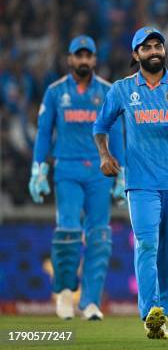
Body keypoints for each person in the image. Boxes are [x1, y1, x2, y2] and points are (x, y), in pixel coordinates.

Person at [93, 26, 168, 339]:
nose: (155, 51)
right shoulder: (121, 89)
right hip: (141, 182)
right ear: (136, 55)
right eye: (147, 48)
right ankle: (150, 312)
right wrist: (104, 155)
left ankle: (163, 312)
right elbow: (100, 125)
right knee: (146, 243)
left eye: (158, 46)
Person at [29, 35, 124, 321]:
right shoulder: (56, 92)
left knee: (99, 236)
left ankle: (91, 302)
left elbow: (116, 132)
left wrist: (123, 173)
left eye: (88, 56)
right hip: (67, 169)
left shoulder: (108, 91)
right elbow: (45, 132)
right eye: (78, 56)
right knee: (67, 233)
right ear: (70, 59)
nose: (83, 60)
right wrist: (38, 168)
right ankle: (65, 294)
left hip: (99, 170)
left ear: (94, 59)